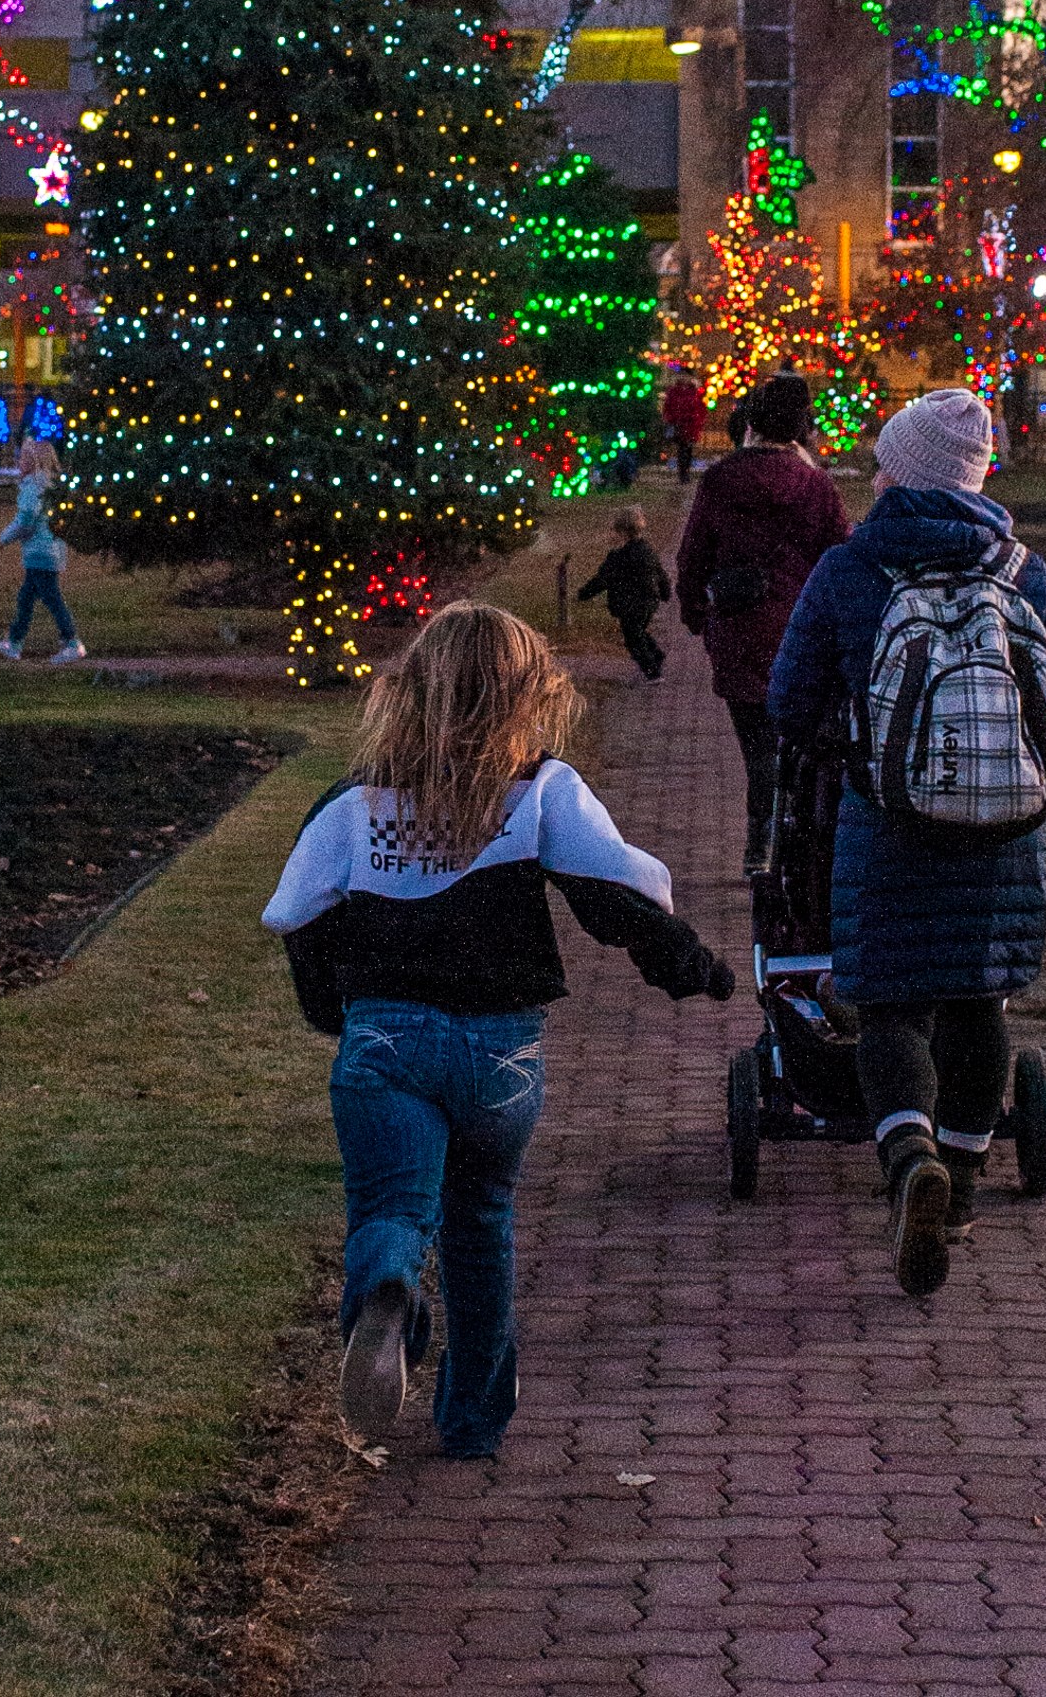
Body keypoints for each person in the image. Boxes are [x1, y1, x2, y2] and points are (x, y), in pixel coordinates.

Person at [262, 602, 733, 1458]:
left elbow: (298, 915)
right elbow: (613, 897)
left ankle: (389, 1294)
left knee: (391, 1206)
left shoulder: (356, 800)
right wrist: (688, 964)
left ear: (414, 686)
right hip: (499, 1054)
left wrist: (333, 1012)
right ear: (529, 693)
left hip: (385, 1041)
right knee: (481, 1216)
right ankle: (473, 1419)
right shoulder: (542, 790)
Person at [768, 386, 1046, 1300]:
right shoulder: (1022, 570)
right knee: (978, 1001)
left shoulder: (851, 568)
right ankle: (962, 1181)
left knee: (891, 1002)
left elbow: (791, 702)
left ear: (902, 475)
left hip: (890, 820)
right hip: (1007, 830)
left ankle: (909, 1157)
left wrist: (852, 735)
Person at [674, 372, 851, 874]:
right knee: (797, 747)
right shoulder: (817, 486)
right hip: (801, 636)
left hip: (738, 631)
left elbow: (693, 557)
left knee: (756, 748)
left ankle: (760, 847)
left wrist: (695, 616)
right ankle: (787, 848)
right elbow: (838, 557)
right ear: (800, 430)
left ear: (752, 422)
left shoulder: (722, 480)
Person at [0, 438, 86, 663]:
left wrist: (4, 537)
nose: (18, 462)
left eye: (22, 458)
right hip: (51, 550)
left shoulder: (34, 488)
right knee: (26, 598)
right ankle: (14, 642)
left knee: (52, 598)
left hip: (40, 552)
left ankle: (72, 643)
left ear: (33, 462)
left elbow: (25, 522)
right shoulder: (51, 487)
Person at [575, 507, 669, 679]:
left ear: (622, 532)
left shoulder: (618, 557)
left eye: (615, 531)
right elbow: (660, 573)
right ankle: (656, 655)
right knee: (638, 631)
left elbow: (603, 579)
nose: (612, 535)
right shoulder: (647, 550)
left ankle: (652, 671)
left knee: (633, 639)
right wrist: (665, 592)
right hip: (649, 601)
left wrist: (584, 594)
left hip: (630, 604)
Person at [660, 371, 708, 483]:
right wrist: (672, 419)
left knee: (688, 450)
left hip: (691, 425)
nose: (684, 378)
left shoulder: (694, 391)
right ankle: (683, 474)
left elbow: (700, 408)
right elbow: (668, 407)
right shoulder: (674, 391)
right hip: (679, 425)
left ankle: (685, 473)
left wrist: (698, 420)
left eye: (686, 376)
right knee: (682, 449)